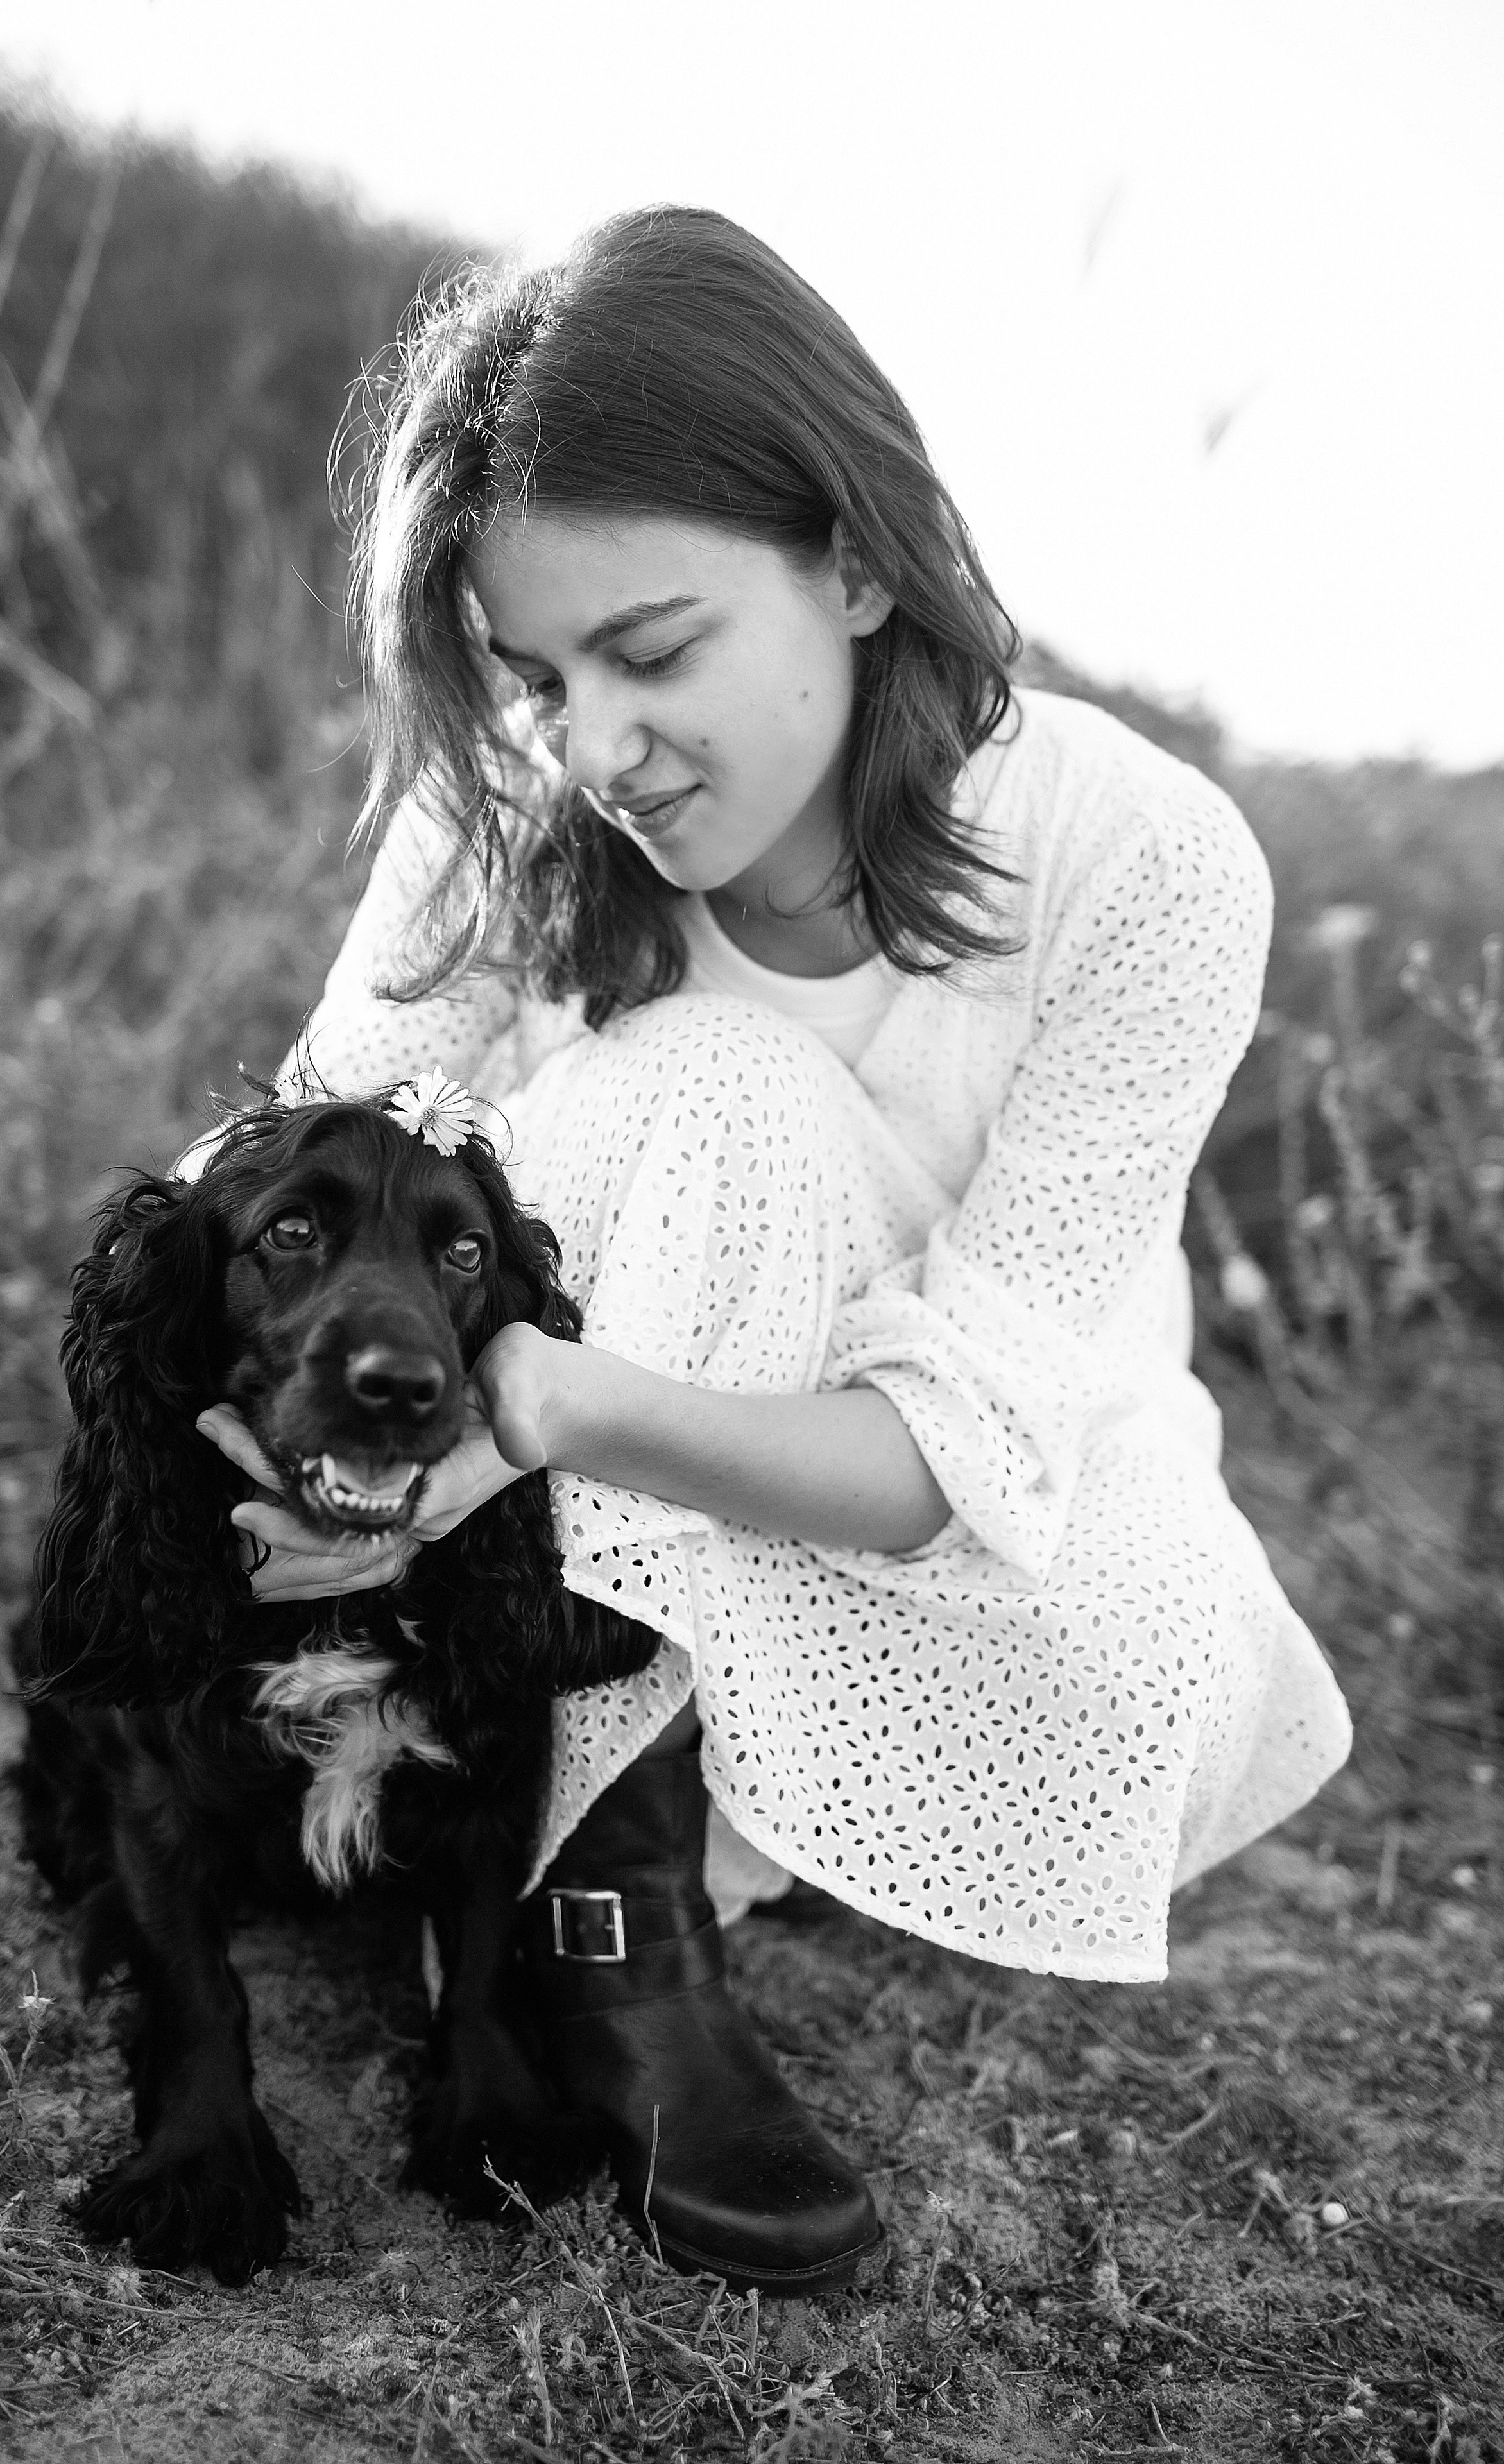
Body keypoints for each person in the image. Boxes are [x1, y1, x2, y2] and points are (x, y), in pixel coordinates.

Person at [195, 206, 1352, 2294]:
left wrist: (553, 1407)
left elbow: (940, 1465)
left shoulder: (1143, 859)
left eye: (650, 651)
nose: (593, 749)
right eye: (533, 678)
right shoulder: (516, 812)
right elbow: (293, 1162)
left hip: (897, 1476)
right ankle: (607, 1920)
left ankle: (679, 1795)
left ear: (857, 558)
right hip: (539, 1470)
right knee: (702, 1079)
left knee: (1148, 1641)